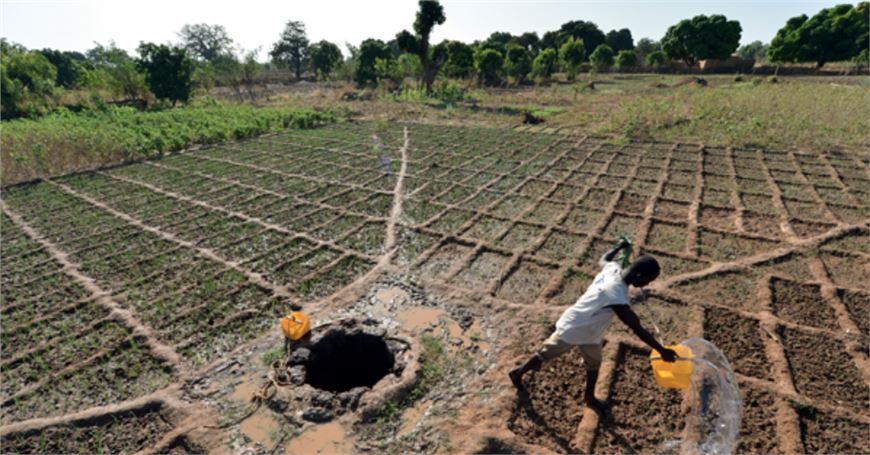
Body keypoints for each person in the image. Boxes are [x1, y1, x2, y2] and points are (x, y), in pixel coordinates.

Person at [508, 238, 678, 412]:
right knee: (545, 353)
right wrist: (661, 350)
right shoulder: (616, 294)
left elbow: (604, 259)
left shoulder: (613, 269)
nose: (647, 285)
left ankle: (589, 397)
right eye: (648, 281)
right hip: (573, 327)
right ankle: (517, 373)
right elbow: (637, 328)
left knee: (594, 364)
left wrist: (618, 246)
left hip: (591, 333)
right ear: (639, 275)